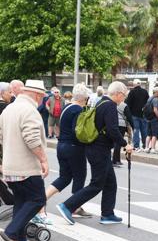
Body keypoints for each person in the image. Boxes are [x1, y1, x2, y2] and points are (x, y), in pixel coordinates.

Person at [56, 81, 133, 225]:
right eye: (124, 95)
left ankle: (107, 214)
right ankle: (68, 206)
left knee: (110, 183)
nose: (124, 99)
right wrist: (125, 144)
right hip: (100, 150)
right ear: (118, 94)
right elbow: (112, 130)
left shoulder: (100, 102)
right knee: (97, 184)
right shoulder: (110, 106)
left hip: (94, 148)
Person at [0, 79, 49, 241]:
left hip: (10, 167)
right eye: (43, 96)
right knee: (38, 200)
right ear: (37, 94)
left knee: (21, 203)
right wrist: (43, 159)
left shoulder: (9, 109)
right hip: (26, 167)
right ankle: (12, 232)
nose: (43, 99)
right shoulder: (29, 110)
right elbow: (32, 139)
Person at [34, 83, 91, 224]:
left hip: (62, 145)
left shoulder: (67, 107)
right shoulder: (78, 110)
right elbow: (77, 131)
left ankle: (41, 200)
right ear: (84, 97)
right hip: (74, 147)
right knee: (79, 176)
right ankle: (75, 206)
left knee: (65, 177)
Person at [126, 79, 149, 152]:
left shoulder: (132, 92)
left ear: (134, 84)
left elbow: (128, 104)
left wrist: (128, 114)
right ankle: (145, 145)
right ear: (140, 84)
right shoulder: (145, 92)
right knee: (144, 130)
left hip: (134, 114)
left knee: (136, 130)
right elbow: (147, 103)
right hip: (143, 114)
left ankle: (136, 146)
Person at [112, 101, 133, 167]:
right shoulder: (124, 105)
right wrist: (133, 126)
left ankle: (117, 160)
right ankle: (115, 161)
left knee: (117, 142)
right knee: (118, 143)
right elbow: (129, 116)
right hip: (121, 124)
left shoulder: (113, 104)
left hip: (114, 123)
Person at [144, 87, 158, 153]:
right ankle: (153, 148)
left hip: (148, 118)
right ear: (156, 92)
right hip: (154, 118)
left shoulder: (149, 98)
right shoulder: (156, 99)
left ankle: (146, 147)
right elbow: (155, 109)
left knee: (149, 134)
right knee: (154, 134)